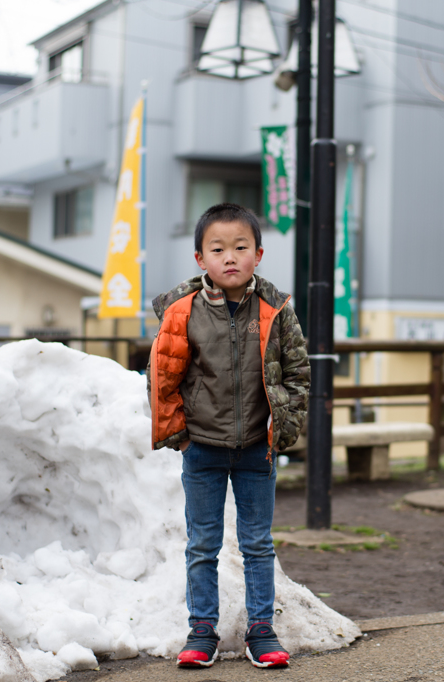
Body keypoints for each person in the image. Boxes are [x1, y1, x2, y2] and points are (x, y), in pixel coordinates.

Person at [147, 203, 310, 669]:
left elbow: (298, 371)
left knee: (258, 544)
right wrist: (179, 434)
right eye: (217, 249)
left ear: (258, 254)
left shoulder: (275, 310)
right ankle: (202, 631)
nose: (230, 257)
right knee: (203, 545)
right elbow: (161, 375)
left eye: (241, 248)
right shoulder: (183, 312)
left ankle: (262, 631)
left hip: (257, 449)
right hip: (201, 449)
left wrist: (285, 427)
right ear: (201, 258)